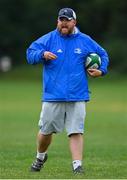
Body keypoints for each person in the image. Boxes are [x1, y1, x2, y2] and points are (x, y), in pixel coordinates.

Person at [26, 7, 109, 174]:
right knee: (45, 131)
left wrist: (102, 70)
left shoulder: (85, 40)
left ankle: (77, 165)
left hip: (77, 95)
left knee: (76, 131)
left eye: (67, 20)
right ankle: (40, 157)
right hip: (53, 95)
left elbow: (102, 54)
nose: (63, 23)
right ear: (57, 21)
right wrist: (42, 54)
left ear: (74, 22)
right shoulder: (49, 39)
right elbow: (30, 53)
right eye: (61, 20)